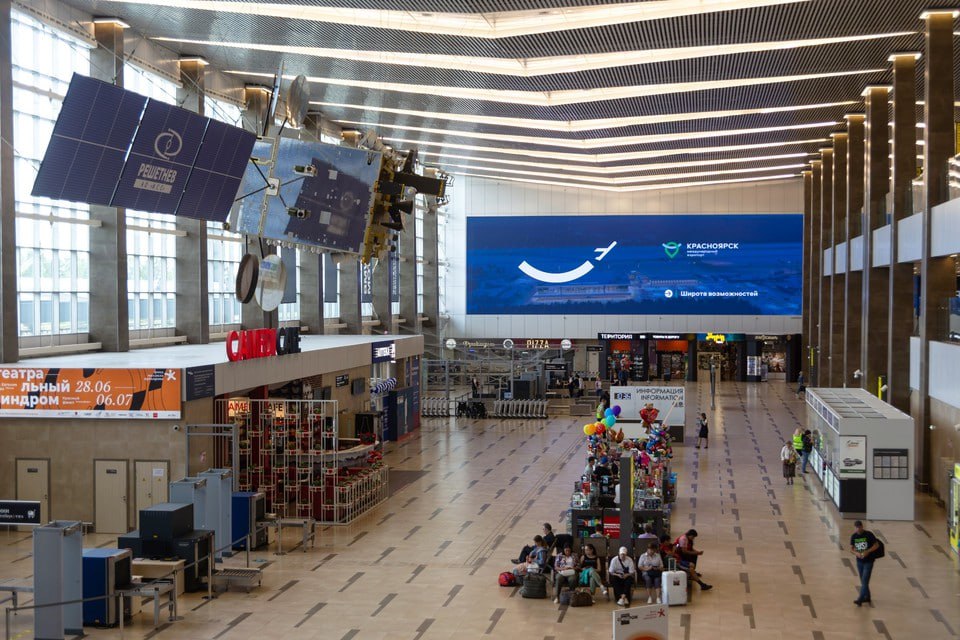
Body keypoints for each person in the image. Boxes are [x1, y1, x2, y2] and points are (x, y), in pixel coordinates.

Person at [850, 520, 880, 606]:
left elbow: (876, 545)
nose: (858, 529)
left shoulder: (869, 534)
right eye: (856, 528)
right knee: (863, 581)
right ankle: (867, 597)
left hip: (869, 561)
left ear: (862, 527)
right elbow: (851, 549)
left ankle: (860, 599)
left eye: (859, 527)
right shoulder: (854, 536)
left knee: (865, 580)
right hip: (859, 561)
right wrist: (856, 553)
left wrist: (868, 551)